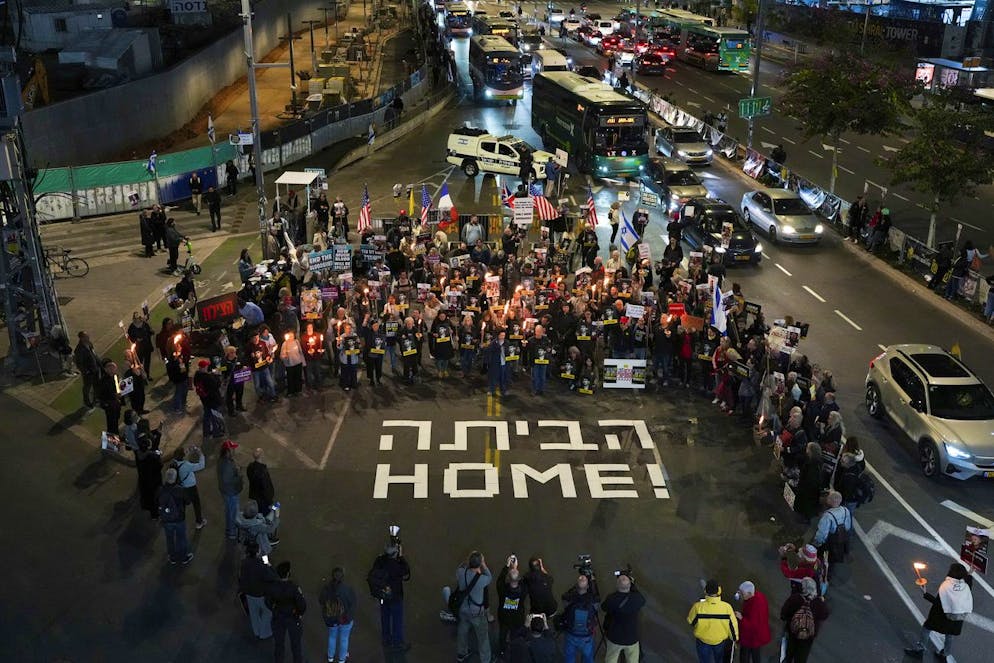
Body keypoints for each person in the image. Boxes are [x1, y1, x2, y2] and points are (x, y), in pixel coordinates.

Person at [904, 562, 974, 660]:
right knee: (949, 635)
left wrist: (925, 593)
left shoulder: (946, 586)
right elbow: (969, 583)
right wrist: (970, 574)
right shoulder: (965, 586)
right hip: (956, 620)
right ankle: (944, 654)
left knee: (926, 628)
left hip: (941, 618)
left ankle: (920, 650)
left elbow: (938, 603)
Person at [369, 542, 412, 651]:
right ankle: (397, 643)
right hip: (395, 597)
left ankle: (386, 640)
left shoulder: (379, 560)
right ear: (395, 553)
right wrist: (401, 557)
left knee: (385, 617)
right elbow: (406, 571)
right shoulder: (396, 566)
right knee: (397, 620)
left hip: (382, 595)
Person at [454, 550, 493, 663]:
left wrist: (469, 559)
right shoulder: (482, 579)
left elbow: (461, 566)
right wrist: (484, 564)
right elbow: (489, 576)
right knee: (483, 637)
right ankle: (486, 660)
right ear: (480, 564)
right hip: (477, 613)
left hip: (463, 609)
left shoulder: (461, 572)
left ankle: (461, 653)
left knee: (462, 631)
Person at [687, 579, 738, 663]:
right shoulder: (727, 607)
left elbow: (691, 622)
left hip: (703, 641)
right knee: (719, 660)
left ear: (705, 591)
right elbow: (733, 626)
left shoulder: (697, 607)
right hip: (719, 642)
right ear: (719, 591)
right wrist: (734, 639)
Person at [780, 577, 828, 663]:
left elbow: (783, 614)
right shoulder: (818, 602)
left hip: (793, 631)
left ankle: (788, 660)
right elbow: (825, 615)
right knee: (802, 657)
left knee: (789, 652)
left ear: (803, 588)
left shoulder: (795, 598)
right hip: (808, 635)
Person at [267, 561, 307, 663]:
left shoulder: (273, 587)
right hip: (293, 618)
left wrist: (274, 609)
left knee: (279, 644)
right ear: (288, 573)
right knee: (296, 645)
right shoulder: (294, 588)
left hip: (278, 617)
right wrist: (299, 614)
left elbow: (268, 602)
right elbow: (302, 604)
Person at [602, 572, 645, 663]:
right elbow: (642, 600)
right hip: (632, 638)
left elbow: (603, 607)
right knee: (632, 660)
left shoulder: (611, 598)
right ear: (630, 585)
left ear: (617, 585)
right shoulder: (636, 599)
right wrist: (633, 586)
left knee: (611, 660)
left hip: (615, 637)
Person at [319, 566, 358, 663]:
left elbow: (321, 601)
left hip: (331, 619)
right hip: (344, 619)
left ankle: (330, 657)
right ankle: (342, 659)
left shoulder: (326, 588)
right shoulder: (347, 589)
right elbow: (353, 605)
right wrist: (348, 618)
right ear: (342, 577)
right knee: (344, 639)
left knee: (332, 637)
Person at [239, 541, 277, 639]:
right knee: (268, 612)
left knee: (253, 613)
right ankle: (264, 633)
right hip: (260, 594)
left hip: (248, 592)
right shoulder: (261, 565)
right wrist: (268, 564)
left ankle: (257, 631)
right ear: (257, 552)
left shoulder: (244, 562)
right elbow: (272, 577)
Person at [157, 467, 193, 565]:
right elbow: (188, 502)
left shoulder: (160, 490)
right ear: (175, 477)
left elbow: (157, 502)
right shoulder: (180, 490)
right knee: (181, 538)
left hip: (166, 519)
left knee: (169, 538)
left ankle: (172, 557)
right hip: (179, 518)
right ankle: (183, 557)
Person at [811, 490, 852, 575]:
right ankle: (829, 571)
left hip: (829, 544)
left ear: (829, 501)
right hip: (841, 541)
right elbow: (848, 526)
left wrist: (816, 543)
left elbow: (822, 534)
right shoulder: (846, 510)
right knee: (832, 561)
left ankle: (822, 573)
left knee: (824, 559)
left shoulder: (828, 516)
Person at [561, 574, 599, 663]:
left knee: (569, 657)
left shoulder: (569, 599)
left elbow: (564, 596)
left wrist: (575, 588)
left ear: (576, 586)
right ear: (588, 586)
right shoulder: (593, 601)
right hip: (587, 635)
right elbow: (597, 598)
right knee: (588, 658)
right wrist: (593, 583)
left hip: (571, 632)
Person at [496, 556, 529, 656]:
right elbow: (523, 582)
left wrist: (507, 567)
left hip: (504, 617)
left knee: (503, 634)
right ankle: (515, 650)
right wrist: (515, 568)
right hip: (517, 617)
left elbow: (500, 580)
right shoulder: (523, 590)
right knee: (516, 635)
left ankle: (502, 650)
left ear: (508, 579)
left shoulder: (502, 589)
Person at [172, 445, 207, 529]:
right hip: (190, 487)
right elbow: (201, 465)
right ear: (183, 456)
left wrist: (189, 450)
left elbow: (182, 455)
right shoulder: (186, 465)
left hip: (181, 487)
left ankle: (180, 523)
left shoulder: (174, 463)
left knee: (182, 506)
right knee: (196, 504)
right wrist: (200, 454)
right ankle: (199, 522)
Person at [735, 581, 770, 663]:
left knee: (744, 656)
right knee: (756, 654)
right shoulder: (760, 596)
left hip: (751, 637)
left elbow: (752, 626)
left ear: (749, 593)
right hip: (759, 635)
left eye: (742, 593)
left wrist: (741, 618)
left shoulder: (755, 606)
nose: (741, 595)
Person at [217, 439, 244, 540]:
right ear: (227, 451)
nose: (234, 450)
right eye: (232, 449)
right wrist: (239, 476)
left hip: (225, 491)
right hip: (230, 492)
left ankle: (229, 529)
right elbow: (228, 480)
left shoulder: (223, 460)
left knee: (229, 510)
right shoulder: (227, 465)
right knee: (233, 512)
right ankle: (232, 532)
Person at [134, 431, 163, 520]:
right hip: (154, 481)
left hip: (144, 480)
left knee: (148, 497)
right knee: (156, 497)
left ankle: (152, 513)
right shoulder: (152, 456)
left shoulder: (138, 454)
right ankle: (157, 513)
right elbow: (159, 466)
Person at [74, 331, 101, 411]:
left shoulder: (89, 344)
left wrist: (99, 363)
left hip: (95, 369)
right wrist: (86, 371)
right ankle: (86, 401)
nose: (88, 337)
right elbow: (79, 363)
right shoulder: (79, 350)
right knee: (87, 387)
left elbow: (94, 354)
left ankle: (96, 398)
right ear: (82, 338)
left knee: (96, 384)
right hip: (89, 372)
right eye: (86, 336)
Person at [96, 359, 124, 436]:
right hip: (109, 404)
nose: (113, 370)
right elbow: (103, 394)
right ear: (106, 370)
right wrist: (115, 395)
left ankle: (115, 435)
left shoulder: (115, 376)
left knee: (116, 420)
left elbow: (117, 387)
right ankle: (111, 440)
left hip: (116, 403)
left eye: (114, 369)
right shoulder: (103, 381)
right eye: (111, 369)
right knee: (111, 422)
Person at [247, 447, 276, 516]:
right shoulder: (262, 471)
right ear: (262, 456)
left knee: (257, 514)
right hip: (263, 499)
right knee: (265, 515)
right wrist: (270, 500)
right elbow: (266, 486)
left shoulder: (250, 467)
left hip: (254, 496)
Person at [486, 330, 511, 396]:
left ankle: (504, 390)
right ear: (498, 335)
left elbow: (509, 351)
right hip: (495, 363)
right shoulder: (494, 342)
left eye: (504, 335)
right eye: (501, 335)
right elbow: (489, 351)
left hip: (504, 363)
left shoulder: (507, 342)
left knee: (503, 377)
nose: (503, 337)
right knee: (493, 377)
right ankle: (491, 390)